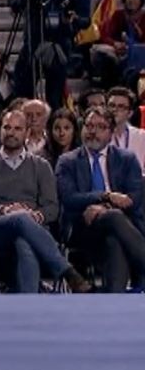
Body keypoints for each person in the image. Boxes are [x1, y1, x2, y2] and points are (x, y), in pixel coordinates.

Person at [0, 110, 91, 293]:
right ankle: (66, 270)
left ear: (27, 134)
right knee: (19, 218)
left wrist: (37, 215)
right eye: (7, 128)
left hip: (34, 229)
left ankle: (29, 301)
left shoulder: (41, 166)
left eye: (17, 129)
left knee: (24, 241)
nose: (11, 133)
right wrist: (4, 210)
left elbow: (52, 208)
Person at [56, 107, 145, 292]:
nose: (93, 132)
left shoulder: (126, 159)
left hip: (121, 227)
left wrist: (103, 208)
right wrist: (106, 196)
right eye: (89, 126)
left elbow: (134, 199)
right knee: (114, 217)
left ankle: (114, 297)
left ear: (111, 133)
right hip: (82, 227)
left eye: (100, 127)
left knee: (114, 238)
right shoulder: (68, 161)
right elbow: (69, 198)